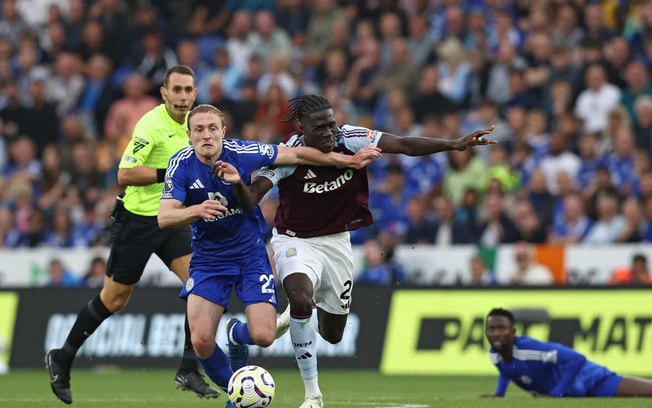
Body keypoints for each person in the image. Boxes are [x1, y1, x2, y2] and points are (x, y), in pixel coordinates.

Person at [220, 94, 495, 408]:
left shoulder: (350, 137)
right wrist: (236, 184)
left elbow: (403, 145)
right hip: (295, 240)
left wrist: (453, 144)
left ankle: (280, 321)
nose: (328, 132)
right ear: (301, 127)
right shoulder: (286, 153)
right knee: (299, 296)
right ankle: (313, 395)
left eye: (331, 124)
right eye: (319, 127)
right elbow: (253, 198)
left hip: (337, 243)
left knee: (332, 334)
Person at [157, 104, 380, 404]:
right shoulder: (180, 164)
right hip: (209, 260)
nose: (206, 135)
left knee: (263, 336)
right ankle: (238, 395)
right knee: (201, 340)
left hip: (250, 255)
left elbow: (299, 154)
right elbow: (164, 217)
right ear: (189, 136)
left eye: (212, 128)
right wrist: (197, 210)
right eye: (199, 130)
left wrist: (348, 161)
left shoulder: (245, 152)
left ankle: (237, 334)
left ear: (223, 131)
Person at [45, 65, 219, 404]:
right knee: (114, 300)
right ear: (164, 94)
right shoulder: (151, 124)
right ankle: (62, 357)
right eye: (177, 90)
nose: (183, 97)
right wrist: (170, 172)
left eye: (189, 90)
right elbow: (125, 173)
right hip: (138, 220)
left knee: (202, 285)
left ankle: (188, 368)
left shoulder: (197, 124)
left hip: (173, 219)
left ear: (195, 93)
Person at [484, 308, 652, 398]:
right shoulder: (494, 355)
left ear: (513, 332)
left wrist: (557, 394)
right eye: (492, 329)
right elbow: (507, 369)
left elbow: (577, 359)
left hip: (592, 380)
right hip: (575, 392)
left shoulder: (530, 351)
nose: (497, 333)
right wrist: (499, 394)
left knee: (646, 392)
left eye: (502, 328)